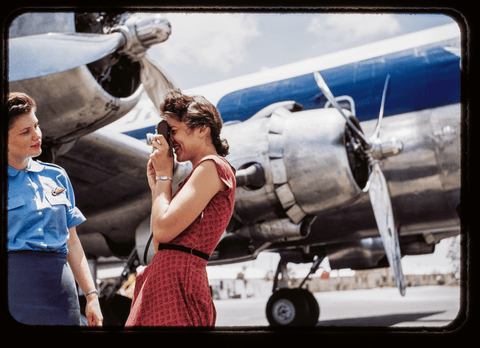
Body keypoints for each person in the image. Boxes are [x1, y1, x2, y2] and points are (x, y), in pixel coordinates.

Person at [125, 89, 236, 327]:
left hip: (178, 285)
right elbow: (160, 243)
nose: (170, 140)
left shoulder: (212, 166)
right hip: (171, 282)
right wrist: (158, 185)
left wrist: (165, 175)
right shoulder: (200, 172)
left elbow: (162, 231)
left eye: (173, 131)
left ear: (202, 129)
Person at [6, 92, 103, 326]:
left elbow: (72, 242)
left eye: (36, 126)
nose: (37, 135)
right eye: (25, 131)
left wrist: (91, 296)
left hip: (62, 294)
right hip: (14, 293)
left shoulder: (57, 176)